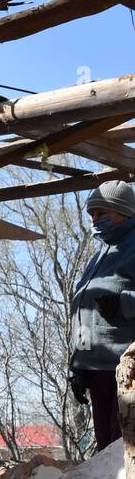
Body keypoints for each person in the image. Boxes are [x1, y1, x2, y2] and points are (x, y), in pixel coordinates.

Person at [68, 180, 135, 451]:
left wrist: (124, 304)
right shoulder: (99, 256)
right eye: (92, 214)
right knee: (106, 452)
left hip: (127, 370)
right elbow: (83, 312)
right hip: (97, 368)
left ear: (124, 213)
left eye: (101, 213)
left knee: (123, 452)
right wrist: (78, 365)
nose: (94, 220)